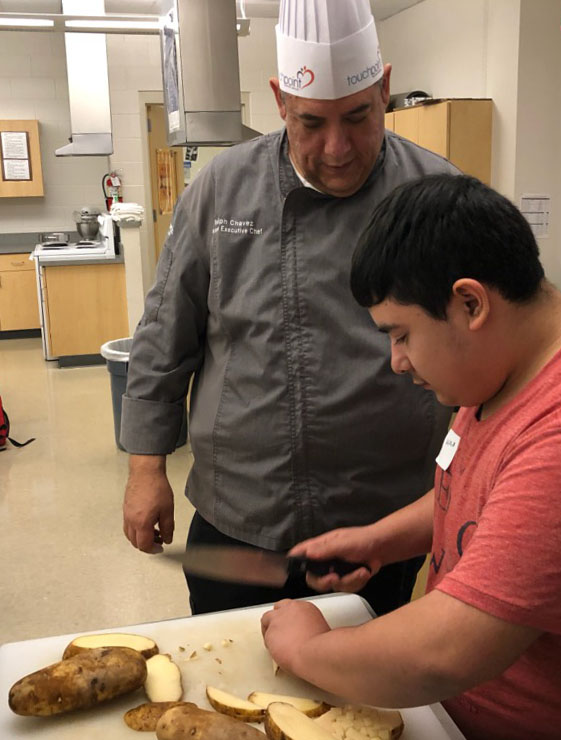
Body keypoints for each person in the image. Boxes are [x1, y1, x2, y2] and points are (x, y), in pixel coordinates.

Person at [260, 174, 561, 740]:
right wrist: (382, 539)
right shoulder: (508, 360)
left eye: (401, 335)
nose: (396, 361)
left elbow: (444, 654)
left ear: (470, 302)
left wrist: (310, 649)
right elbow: (482, 490)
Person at [120, 0, 456, 617]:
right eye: (309, 123)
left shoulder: (436, 196)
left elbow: (481, 361)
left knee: (366, 697)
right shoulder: (222, 187)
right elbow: (166, 333)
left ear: (384, 89)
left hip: (382, 522)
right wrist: (146, 470)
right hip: (239, 510)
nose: (336, 148)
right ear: (279, 101)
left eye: (358, 118)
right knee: (232, 678)